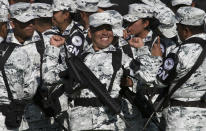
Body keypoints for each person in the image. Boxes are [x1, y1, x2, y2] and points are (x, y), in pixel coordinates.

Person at [132, 6, 206, 131]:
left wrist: (154, 57)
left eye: (178, 28)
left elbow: (156, 80)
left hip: (182, 118)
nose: (177, 31)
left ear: (186, 29)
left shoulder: (180, 52)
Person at [68, 11, 141, 131]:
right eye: (99, 29)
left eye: (108, 29)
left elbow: (148, 77)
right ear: (90, 33)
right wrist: (53, 50)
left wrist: (141, 50)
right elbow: (50, 79)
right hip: (80, 123)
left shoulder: (120, 56)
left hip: (109, 122)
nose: (105, 33)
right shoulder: (79, 58)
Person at [0, 2, 39, 130]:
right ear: (8, 24)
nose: (30, 25)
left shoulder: (40, 43)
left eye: (32, 21)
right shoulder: (18, 51)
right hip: (12, 119)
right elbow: (30, 90)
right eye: (25, 22)